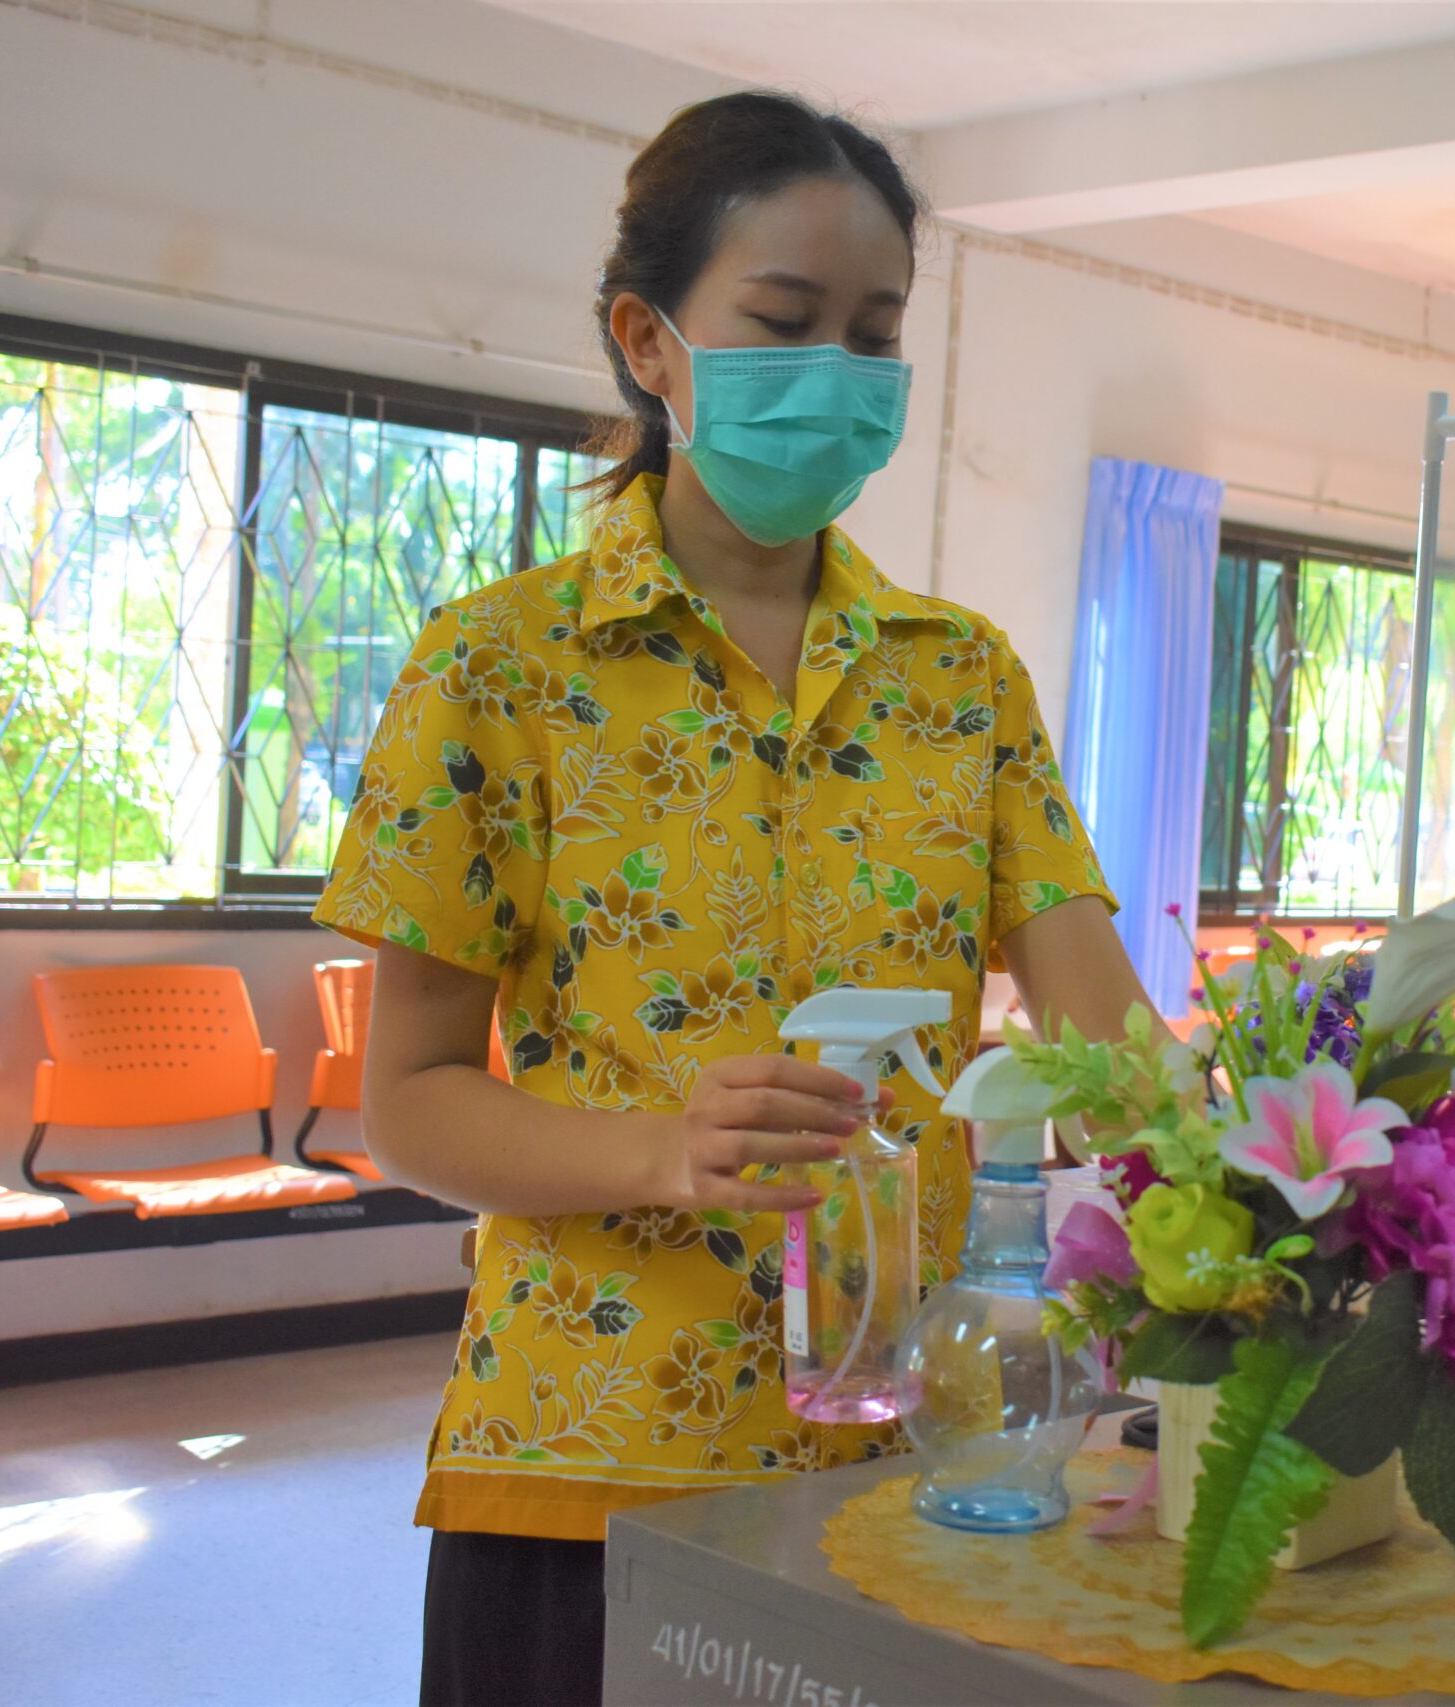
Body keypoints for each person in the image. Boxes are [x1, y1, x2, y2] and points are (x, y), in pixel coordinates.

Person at [313, 91, 1147, 1707]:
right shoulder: (500, 666)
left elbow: (1110, 1045)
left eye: (875, 333)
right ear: (650, 340)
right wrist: (665, 1151)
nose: (836, 370)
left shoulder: (962, 681)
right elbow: (407, 1103)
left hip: (918, 1460)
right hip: (589, 1459)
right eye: (783, 319)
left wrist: (1317, 1163)